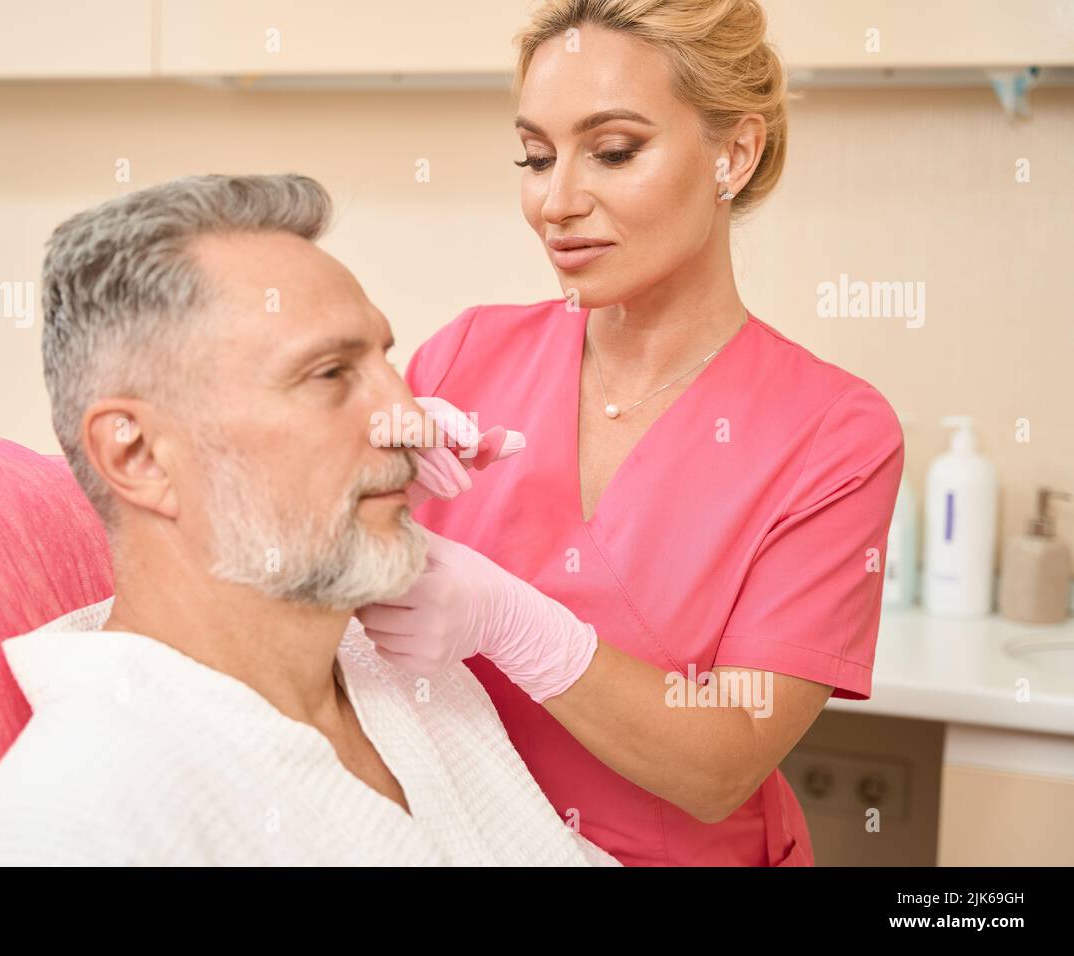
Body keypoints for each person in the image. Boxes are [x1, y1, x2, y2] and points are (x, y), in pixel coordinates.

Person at [0, 174, 618, 867]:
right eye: (328, 375)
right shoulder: (65, 831)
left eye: (384, 361)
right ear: (138, 457)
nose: (407, 417)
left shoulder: (402, 679)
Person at [358, 0, 905, 866]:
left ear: (734, 152)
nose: (557, 202)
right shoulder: (465, 355)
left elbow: (721, 762)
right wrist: (347, 512)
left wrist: (513, 621)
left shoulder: (833, 432)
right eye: (535, 157)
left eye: (613, 152)